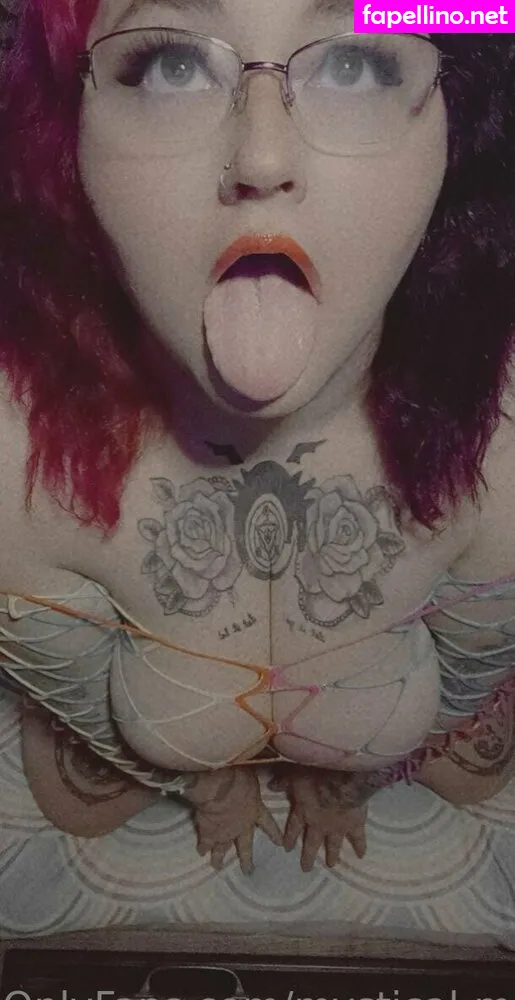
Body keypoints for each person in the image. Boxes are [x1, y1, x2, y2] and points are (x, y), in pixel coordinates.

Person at [0, 0, 514, 876]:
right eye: (170, 64)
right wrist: (204, 787)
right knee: (82, 802)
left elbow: (467, 671)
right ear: (64, 135)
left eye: (355, 62)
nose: (262, 158)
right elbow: (81, 695)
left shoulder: (503, 432)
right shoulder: (14, 454)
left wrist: (355, 780)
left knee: (468, 768)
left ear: (459, 120)